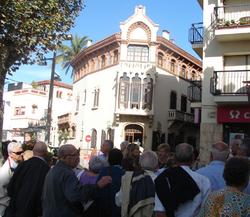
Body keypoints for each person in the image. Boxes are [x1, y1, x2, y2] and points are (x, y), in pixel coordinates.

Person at [42, 144, 112, 217]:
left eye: (78, 154)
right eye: (75, 154)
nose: (78, 157)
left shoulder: (54, 170)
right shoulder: (66, 173)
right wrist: (97, 185)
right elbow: (75, 195)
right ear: (65, 157)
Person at [154, 143, 211, 217]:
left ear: (174, 158)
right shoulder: (204, 181)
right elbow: (206, 210)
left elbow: (160, 212)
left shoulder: (163, 178)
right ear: (193, 158)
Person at [4, 141, 49, 217]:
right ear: (46, 153)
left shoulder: (22, 165)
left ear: (33, 152)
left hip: (16, 209)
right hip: (34, 212)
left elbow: (11, 187)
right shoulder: (46, 169)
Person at [116, 151, 158, 217]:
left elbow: (119, 201)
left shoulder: (128, 178)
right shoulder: (160, 180)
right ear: (156, 164)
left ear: (140, 163)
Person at [97, 148, 125, 217]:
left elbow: (97, 186)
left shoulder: (103, 171)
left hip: (104, 205)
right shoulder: (124, 173)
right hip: (118, 207)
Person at [0, 142, 23, 217]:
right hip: (5, 207)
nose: (21, 154)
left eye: (22, 152)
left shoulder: (17, 163)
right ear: (10, 154)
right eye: (18, 153)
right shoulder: (5, 171)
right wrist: (8, 202)